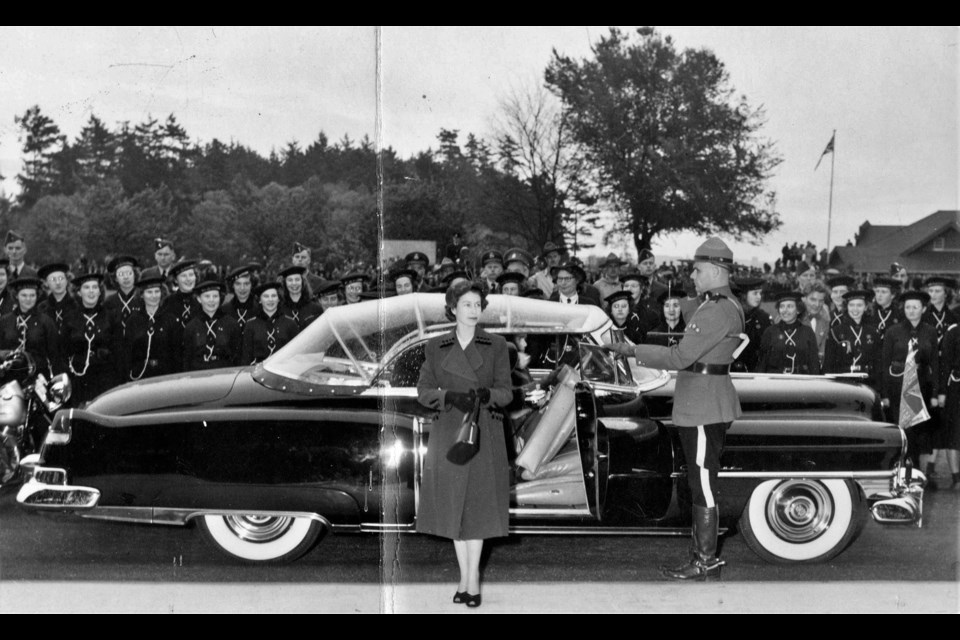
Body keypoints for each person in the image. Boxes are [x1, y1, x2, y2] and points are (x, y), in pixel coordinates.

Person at [605, 237, 744, 580]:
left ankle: (705, 560)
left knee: (703, 483)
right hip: (708, 400)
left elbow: (681, 357)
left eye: (697, 271)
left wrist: (632, 350)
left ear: (715, 270)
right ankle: (702, 556)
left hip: (702, 405)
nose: (693, 276)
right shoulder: (726, 305)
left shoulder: (715, 310)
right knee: (701, 479)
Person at [416, 280, 512, 607]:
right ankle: (464, 577)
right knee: (455, 508)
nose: (472, 310)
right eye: (466, 305)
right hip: (450, 434)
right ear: (452, 308)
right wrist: (447, 397)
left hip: (484, 430)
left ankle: (472, 582)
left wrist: (489, 395)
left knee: (479, 510)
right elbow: (424, 391)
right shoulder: (436, 346)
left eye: (476, 304)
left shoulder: (497, 345)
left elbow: (507, 392)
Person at [881, 290, 940, 470]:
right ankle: (899, 470)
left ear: (923, 309)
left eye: (915, 307)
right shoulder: (893, 331)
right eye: (908, 307)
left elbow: (935, 364)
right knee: (902, 430)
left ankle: (915, 472)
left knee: (917, 432)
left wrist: (936, 393)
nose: (911, 311)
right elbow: (884, 363)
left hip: (921, 386)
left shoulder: (930, 332)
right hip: (898, 386)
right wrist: (885, 394)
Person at [64, 273, 122, 405]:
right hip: (78, 378)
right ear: (78, 292)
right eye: (86, 287)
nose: (91, 291)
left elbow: (119, 349)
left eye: (95, 287)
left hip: (104, 378)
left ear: (99, 291)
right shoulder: (70, 317)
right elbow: (63, 350)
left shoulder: (111, 316)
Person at [0, 277, 59, 378]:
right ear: (16, 296)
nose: (28, 299)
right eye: (24, 295)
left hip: (38, 376)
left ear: (37, 296)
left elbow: (55, 353)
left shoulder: (45, 321)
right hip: (9, 377)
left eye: (32, 295)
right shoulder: (5, 321)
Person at [122, 276, 176, 380]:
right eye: (149, 292)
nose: (154, 296)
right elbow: (127, 353)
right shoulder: (133, 321)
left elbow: (175, 353)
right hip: (139, 375)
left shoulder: (170, 319)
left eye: (157, 291)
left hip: (165, 375)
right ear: (142, 295)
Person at [825, 290, 882, 389]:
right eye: (851, 305)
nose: (855, 309)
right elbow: (828, 364)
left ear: (865, 307)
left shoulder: (874, 332)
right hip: (843, 383)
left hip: (868, 382)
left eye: (859, 305)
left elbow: (879, 365)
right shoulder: (836, 332)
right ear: (846, 307)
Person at [182, 280, 242, 371]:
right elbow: (187, 359)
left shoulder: (231, 324)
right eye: (207, 296)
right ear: (199, 299)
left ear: (220, 298)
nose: (211, 300)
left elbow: (238, 357)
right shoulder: (191, 326)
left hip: (225, 374)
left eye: (215, 296)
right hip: (198, 375)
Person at [757, 291, 821, 375]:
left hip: (801, 382)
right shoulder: (770, 331)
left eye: (790, 306)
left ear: (798, 310)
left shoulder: (807, 332)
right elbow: (762, 362)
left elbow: (814, 363)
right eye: (782, 307)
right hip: (775, 382)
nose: (785, 310)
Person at [241, 282, 300, 365]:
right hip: (258, 372)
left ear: (279, 299)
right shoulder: (251, 324)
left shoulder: (290, 323)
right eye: (266, 296)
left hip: (283, 370)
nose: (270, 300)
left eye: (274, 296)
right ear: (260, 300)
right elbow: (246, 357)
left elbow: (296, 354)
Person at [936, 325, 960, 488]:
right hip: (956, 388)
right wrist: (942, 391)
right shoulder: (953, 333)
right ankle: (956, 478)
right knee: (955, 432)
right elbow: (944, 364)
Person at [733, 277, 771, 372]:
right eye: (755, 293)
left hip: (754, 371)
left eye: (760, 293)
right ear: (744, 295)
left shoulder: (763, 318)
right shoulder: (732, 314)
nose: (759, 297)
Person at [103, 255, 143, 336]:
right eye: (121, 274)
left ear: (135, 275)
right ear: (115, 278)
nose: (126, 277)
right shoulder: (109, 301)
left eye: (129, 273)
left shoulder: (143, 298)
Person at [221, 265, 259, 334]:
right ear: (232, 285)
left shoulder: (260, 309)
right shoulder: (224, 310)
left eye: (246, 284)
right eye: (238, 284)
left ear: (252, 284)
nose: (242, 288)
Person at [800, 282, 831, 366]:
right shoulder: (794, 319)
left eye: (821, 301)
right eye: (813, 300)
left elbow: (823, 348)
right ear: (803, 298)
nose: (817, 305)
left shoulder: (825, 320)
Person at [921, 277, 957, 345]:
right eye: (930, 291)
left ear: (946, 294)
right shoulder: (922, 316)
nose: (933, 295)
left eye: (937, 291)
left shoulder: (954, 317)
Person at [871, 276, 904, 343]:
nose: (879, 295)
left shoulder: (900, 314)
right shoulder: (870, 312)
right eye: (877, 291)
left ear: (892, 295)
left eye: (883, 292)